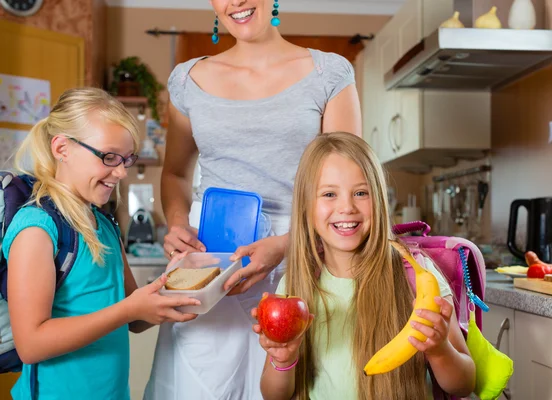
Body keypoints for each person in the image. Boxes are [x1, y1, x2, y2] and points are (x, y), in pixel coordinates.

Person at [145, 0, 362, 398]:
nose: (237, 2)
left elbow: (349, 181)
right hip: (211, 262)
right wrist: (177, 225)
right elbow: (174, 173)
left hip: (303, 255)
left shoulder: (329, 73)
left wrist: (285, 246)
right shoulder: (187, 80)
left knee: (290, 382)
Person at [3, 88, 200, 400]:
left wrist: (173, 291)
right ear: (62, 148)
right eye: (109, 157)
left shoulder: (104, 224)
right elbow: (31, 345)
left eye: (126, 158)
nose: (121, 171)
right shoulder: (37, 228)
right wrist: (127, 310)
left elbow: (133, 316)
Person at [253, 132, 476, 400]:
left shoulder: (416, 275)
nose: (346, 207)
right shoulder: (294, 286)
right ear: (306, 207)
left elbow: (464, 383)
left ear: (379, 200)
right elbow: (272, 395)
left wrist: (440, 351)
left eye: (361, 193)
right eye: (329, 194)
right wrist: (283, 359)